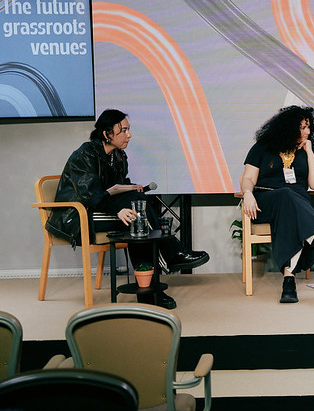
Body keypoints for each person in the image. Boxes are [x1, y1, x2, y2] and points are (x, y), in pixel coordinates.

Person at [46, 109, 210, 310]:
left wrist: (131, 189)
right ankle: (168, 260)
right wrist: (117, 211)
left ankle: (150, 289)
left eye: (129, 130)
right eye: (123, 130)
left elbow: (116, 190)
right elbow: (90, 195)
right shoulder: (85, 155)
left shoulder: (119, 156)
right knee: (137, 217)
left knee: (137, 209)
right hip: (79, 215)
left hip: (100, 208)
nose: (129, 135)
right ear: (107, 134)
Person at [240, 105, 314, 304]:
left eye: (309, 127)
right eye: (302, 127)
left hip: (296, 207)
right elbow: (248, 178)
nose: (307, 132)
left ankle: (288, 281)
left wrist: (309, 152)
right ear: (287, 128)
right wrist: (247, 193)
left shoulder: (310, 151)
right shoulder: (262, 147)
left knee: (290, 207)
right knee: (285, 194)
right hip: (266, 202)